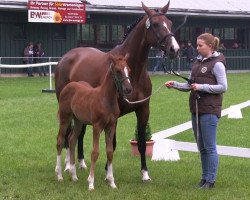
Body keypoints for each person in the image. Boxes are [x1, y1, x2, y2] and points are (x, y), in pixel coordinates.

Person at [165, 33, 228, 189]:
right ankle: (204, 178)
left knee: (210, 147)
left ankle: (210, 181)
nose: (197, 48)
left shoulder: (217, 64)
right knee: (201, 147)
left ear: (210, 46)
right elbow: (189, 85)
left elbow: (223, 87)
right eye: (197, 45)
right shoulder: (197, 62)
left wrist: (202, 87)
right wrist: (174, 84)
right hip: (196, 109)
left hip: (209, 110)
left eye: (200, 45)